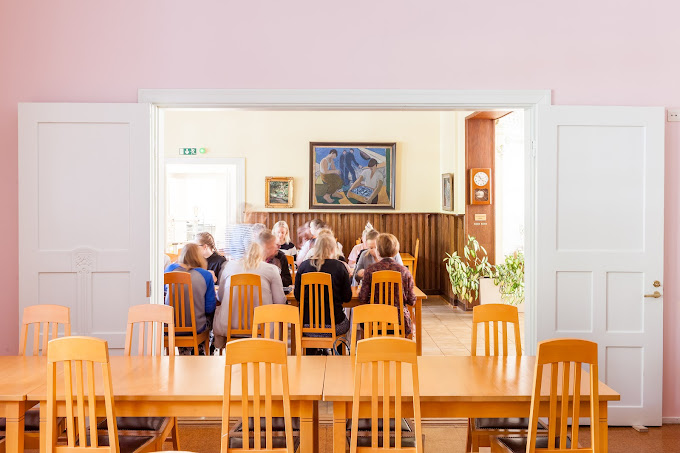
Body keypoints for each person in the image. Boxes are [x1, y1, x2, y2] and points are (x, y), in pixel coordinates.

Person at [213, 239, 287, 349]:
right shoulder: (271, 269)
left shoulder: (228, 267)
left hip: (229, 325)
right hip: (262, 326)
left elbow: (220, 297)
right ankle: (272, 352)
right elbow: (280, 301)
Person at [294, 233, 352, 351]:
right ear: (333, 249)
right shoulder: (340, 267)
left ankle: (311, 355)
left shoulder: (304, 266)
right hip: (335, 324)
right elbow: (347, 297)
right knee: (345, 323)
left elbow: (297, 296)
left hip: (307, 324)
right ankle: (338, 356)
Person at [358, 233, 416, 337]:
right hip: (399, 320)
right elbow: (412, 300)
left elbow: (362, 298)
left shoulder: (370, 270)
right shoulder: (404, 271)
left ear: (378, 251)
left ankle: (368, 344)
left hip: (374, 319)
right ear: (395, 251)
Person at [164, 243, 216, 355]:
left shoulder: (169, 270)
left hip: (169, 326)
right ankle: (200, 350)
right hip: (196, 327)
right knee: (211, 316)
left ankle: (185, 351)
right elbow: (209, 308)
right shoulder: (206, 275)